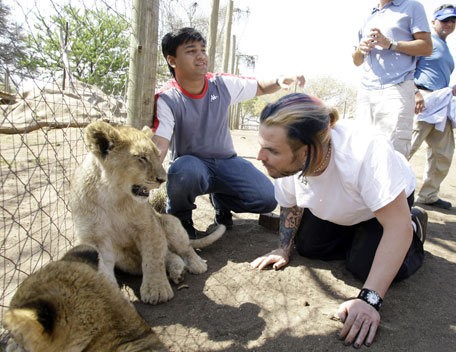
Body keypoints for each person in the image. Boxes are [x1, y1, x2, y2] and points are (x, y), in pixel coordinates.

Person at [251, 93, 427, 348]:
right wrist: (283, 248)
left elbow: (395, 227)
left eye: (271, 150)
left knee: (364, 266)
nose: (260, 156)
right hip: (341, 206)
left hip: (383, 209)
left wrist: (370, 300)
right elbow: (289, 205)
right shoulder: (292, 164)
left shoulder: (365, 150)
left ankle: (416, 227)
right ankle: (362, 238)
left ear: (309, 149)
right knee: (310, 247)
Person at [152, 27, 305, 239]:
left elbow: (259, 86)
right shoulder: (167, 98)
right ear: (172, 60)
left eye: (203, 49)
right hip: (192, 165)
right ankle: (181, 219)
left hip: (226, 162)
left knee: (268, 198)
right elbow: (160, 144)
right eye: (191, 51)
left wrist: (279, 81)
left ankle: (221, 201)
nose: (201, 56)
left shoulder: (221, 84)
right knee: (182, 171)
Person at [352, 0, 432, 157]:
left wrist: (391, 44)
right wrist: (360, 49)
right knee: (360, 150)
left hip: (396, 88)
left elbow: (427, 47)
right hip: (366, 91)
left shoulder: (412, 7)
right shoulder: (369, 14)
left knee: (391, 153)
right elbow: (356, 61)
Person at [410, 4, 456, 210]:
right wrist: (415, 93)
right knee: (406, 147)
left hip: (441, 102)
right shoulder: (426, 42)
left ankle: (429, 195)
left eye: (453, 21)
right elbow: (407, 68)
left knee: (444, 152)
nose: (450, 24)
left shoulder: (446, 49)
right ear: (433, 21)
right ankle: (384, 192)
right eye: (445, 19)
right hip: (422, 98)